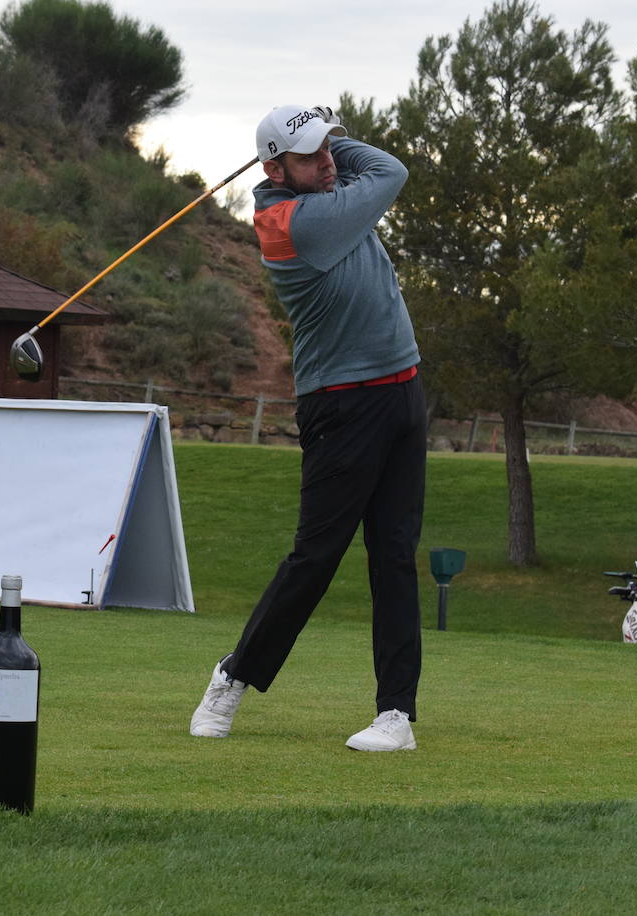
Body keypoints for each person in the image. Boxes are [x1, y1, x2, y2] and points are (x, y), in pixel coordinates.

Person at [189, 104, 426, 752]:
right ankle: (232, 678)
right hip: (343, 404)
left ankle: (395, 715)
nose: (328, 163)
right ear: (273, 169)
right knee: (315, 559)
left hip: (403, 390)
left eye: (331, 151)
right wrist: (334, 160)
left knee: (395, 558)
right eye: (311, 155)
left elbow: (365, 168)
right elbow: (391, 170)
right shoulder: (296, 223)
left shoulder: (321, 192)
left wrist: (315, 145)